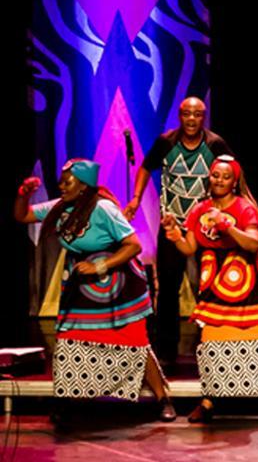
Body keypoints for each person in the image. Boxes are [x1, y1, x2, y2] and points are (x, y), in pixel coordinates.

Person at [15, 160, 175, 422]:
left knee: (134, 341)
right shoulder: (60, 207)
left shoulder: (103, 208)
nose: (62, 185)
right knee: (69, 339)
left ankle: (163, 399)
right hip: (83, 283)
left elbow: (133, 245)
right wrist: (24, 195)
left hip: (119, 282)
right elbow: (23, 216)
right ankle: (65, 401)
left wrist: (101, 265)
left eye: (68, 181)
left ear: (84, 185)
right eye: (62, 181)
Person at [163, 155, 258, 423]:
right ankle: (209, 401)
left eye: (225, 177)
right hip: (214, 284)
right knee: (211, 345)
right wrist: (176, 234)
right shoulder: (198, 210)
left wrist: (226, 225)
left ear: (234, 182)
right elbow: (189, 248)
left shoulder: (245, 208)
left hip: (246, 280)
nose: (219, 180)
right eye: (215, 175)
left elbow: (252, 245)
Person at [123, 96, 233, 366]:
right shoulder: (167, 142)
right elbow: (146, 168)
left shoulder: (215, 144)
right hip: (172, 226)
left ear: (203, 117)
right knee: (169, 288)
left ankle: (212, 344)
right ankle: (167, 350)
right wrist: (136, 198)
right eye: (187, 114)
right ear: (180, 116)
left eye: (197, 114)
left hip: (204, 228)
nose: (192, 119)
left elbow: (231, 173)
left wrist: (229, 210)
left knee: (207, 286)